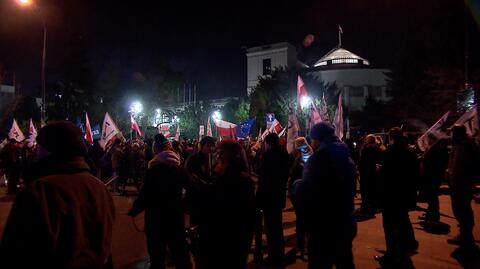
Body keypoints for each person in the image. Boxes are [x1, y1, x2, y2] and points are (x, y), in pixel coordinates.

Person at [0, 121, 115, 269]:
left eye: (40, 146)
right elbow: (105, 247)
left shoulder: (39, 191)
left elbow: (16, 252)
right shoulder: (100, 188)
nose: (36, 152)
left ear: (49, 149)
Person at [295, 122, 357, 269]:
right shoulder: (347, 158)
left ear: (318, 139)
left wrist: (297, 185)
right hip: (345, 221)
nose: (312, 143)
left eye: (313, 139)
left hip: (323, 226)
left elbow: (308, 192)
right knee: (345, 262)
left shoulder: (319, 159)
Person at [128, 134, 192, 269]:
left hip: (155, 219)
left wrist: (135, 209)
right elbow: (193, 189)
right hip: (175, 217)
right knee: (180, 253)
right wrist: (183, 206)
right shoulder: (179, 169)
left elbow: (145, 195)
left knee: (157, 257)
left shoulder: (153, 170)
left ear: (156, 150)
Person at [194, 140, 255, 269]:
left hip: (229, 232)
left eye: (220, 152)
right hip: (235, 231)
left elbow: (221, 200)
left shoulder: (234, 176)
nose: (217, 155)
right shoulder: (232, 173)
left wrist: (203, 187)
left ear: (228, 154)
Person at [375, 127, 419, 268]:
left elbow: (386, 174)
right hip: (405, 194)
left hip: (391, 195)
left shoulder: (390, 152)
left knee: (389, 226)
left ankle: (391, 255)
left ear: (392, 137)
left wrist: (380, 170)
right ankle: (405, 249)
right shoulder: (410, 152)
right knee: (402, 222)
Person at [446, 125, 480, 260]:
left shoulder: (465, 146)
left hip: (462, 184)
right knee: (461, 209)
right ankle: (464, 235)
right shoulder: (462, 145)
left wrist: (455, 178)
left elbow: (461, 167)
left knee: (462, 210)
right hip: (459, 183)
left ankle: (467, 240)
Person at [256, 133, 290, 265]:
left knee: (271, 228)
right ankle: (279, 254)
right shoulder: (284, 154)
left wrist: (259, 198)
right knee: (277, 227)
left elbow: (263, 179)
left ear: (268, 143)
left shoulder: (268, 156)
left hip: (268, 197)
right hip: (279, 195)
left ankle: (273, 256)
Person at [286, 137, 313, 261]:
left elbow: (294, 171)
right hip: (305, 189)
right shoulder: (309, 153)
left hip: (300, 189)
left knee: (302, 218)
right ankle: (304, 245)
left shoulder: (303, 154)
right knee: (304, 218)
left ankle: (303, 246)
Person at [419, 138, 449, 222]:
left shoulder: (438, 151)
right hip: (433, 176)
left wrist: (423, 159)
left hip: (432, 177)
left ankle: (434, 215)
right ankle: (431, 213)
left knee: (432, 197)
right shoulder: (437, 150)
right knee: (431, 197)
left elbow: (432, 163)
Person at [358, 134, 383, 216]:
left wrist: (359, 169)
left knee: (366, 191)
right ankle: (373, 207)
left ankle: (366, 207)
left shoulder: (366, 148)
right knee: (373, 190)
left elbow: (362, 161)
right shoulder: (378, 148)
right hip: (375, 172)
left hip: (366, 172)